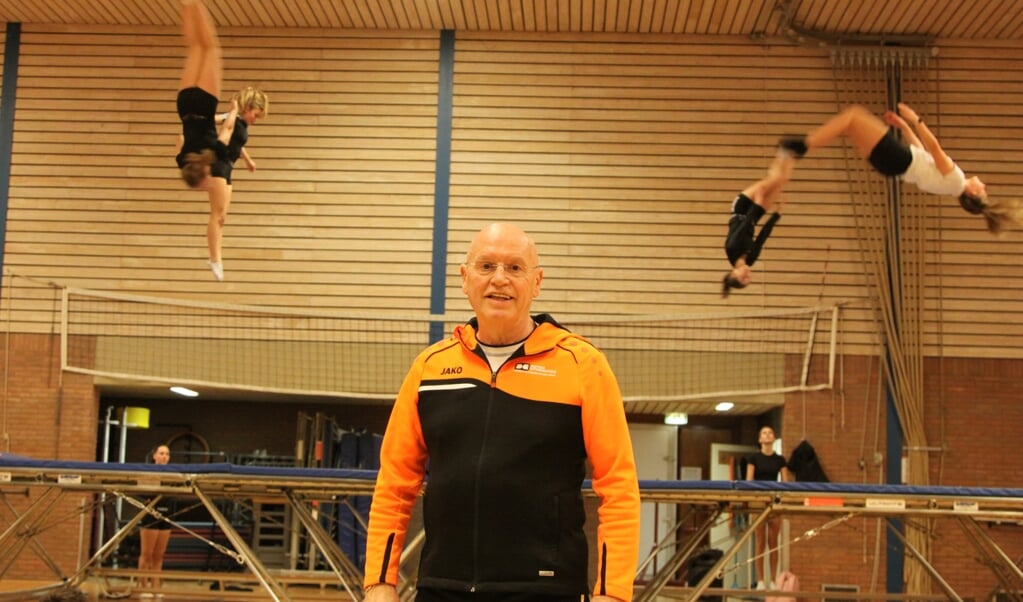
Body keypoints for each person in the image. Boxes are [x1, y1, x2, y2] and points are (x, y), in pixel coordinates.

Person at [362, 223, 641, 602]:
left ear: (537, 282)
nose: (499, 280)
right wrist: (380, 582)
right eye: (486, 266)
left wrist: (613, 592)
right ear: (465, 278)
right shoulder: (428, 368)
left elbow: (618, 485)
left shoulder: (582, 364)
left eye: (514, 268)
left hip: (545, 590)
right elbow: (395, 481)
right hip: (442, 587)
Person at [780, 103, 1023, 234]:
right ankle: (801, 146)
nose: (984, 185)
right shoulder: (950, 188)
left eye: (983, 190)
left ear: (972, 193)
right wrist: (903, 126)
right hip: (892, 167)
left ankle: (803, 145)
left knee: (854, 116)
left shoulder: (957, 180)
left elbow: (934, 148)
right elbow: (923, 155)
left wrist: (916, 119)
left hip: (898, 159)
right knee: (850, 125)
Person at [722, 150, 796, 297]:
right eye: (749, 279)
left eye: (744, 277)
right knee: (782, 181)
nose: (748, 275)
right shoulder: (751, 259)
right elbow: (763, 236)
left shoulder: (732, 248)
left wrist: (758, 202)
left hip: (742, 209)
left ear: (734, 272)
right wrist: (777, 214)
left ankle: (784, 151)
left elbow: (744, 225)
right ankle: (792, 154)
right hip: (755, 214)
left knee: (775, 178)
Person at [745, 426, 792, 591]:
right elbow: (749, 481)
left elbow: (785, 483)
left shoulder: (780, 460)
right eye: (764, 433)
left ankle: (772, 579)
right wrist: (752, 501)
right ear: (760, 439)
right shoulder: (754, 458)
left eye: (770, 433)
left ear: (773, 438)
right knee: (760, 542)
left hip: (774, 500)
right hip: (758, 500)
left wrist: (781, 500)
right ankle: (760, 580)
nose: (767, 435)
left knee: (773, 542)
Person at [137, 444, 173, 598]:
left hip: (167, 515)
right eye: (161, 453)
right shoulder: (148, 471)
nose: (164, 456)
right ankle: (142, 587)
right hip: (150, 515)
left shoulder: (172, 473)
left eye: (167, 454)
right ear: (154, 456)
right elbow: (140, 488)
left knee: (159, 555)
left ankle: (155, 588)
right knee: (147, 553)